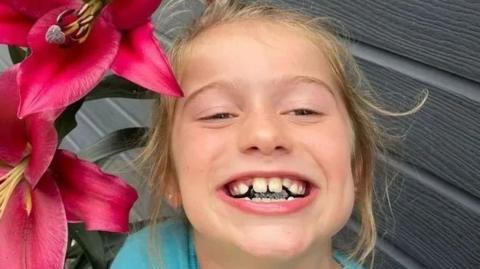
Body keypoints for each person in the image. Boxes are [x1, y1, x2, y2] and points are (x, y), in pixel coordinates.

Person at [111, 0, 413, 268]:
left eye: (303, 110)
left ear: (356, 167)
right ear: (170, 176)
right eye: (219, 114)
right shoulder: (141, 260)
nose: (265, 134)